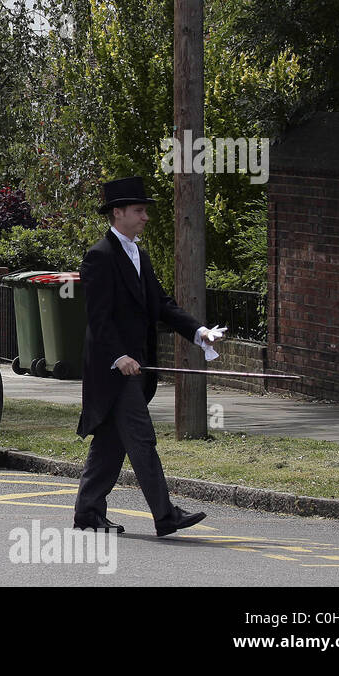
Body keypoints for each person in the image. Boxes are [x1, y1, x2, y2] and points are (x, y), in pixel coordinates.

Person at [73, 176, 225, 537]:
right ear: (118, 212)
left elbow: (162, 305)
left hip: (137, 369)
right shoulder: (100, 256)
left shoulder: (139, 254)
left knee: (110, 443)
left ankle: (88, 512)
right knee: (141, 439)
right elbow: (98, 318)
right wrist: (119, 355)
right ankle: (165, 514)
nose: (145, 217)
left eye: (144, 211)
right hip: (114, 371)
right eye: (139, 211)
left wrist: (198, 332)